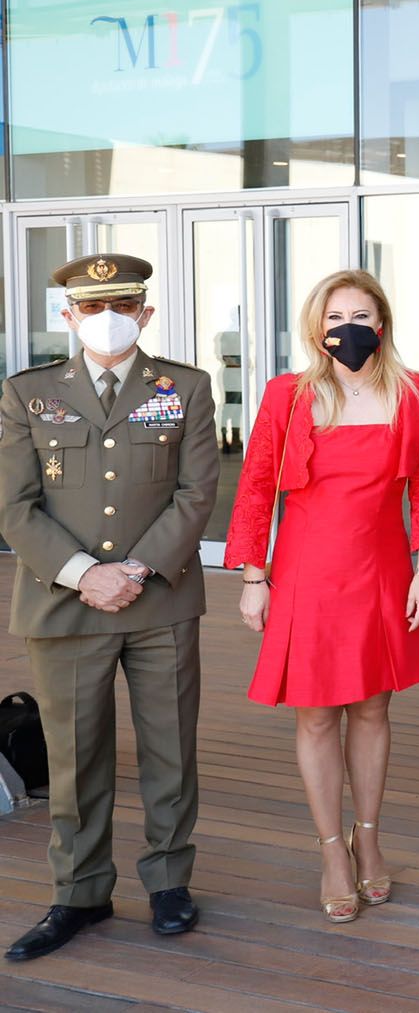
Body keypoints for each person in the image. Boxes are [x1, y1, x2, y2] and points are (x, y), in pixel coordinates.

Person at [2, 255, 218, 962]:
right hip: (65, 605)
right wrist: (84, 574)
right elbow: (14, 505)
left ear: (146, 314)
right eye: (91, 308)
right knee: (73, 757)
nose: (107, 318)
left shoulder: (183, 387)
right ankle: (80, 891)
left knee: (170, 749)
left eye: (121, 305)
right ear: (68, 317)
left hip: (159, 599)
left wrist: (135, 568)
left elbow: (196, 492)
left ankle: (168, 882)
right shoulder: (26, 394)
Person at [224, 269, 419, 924]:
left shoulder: (412, 392)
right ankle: (331, 851)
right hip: (305, 574)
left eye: (360, 313)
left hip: (380, 570)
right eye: (334, 314)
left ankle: (369, 836)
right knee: (316, 714)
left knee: (373, 709)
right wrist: (252, 577)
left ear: (382, 324)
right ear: (317, 328)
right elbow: (257, 488)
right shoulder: (287, 395)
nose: (347, 326)